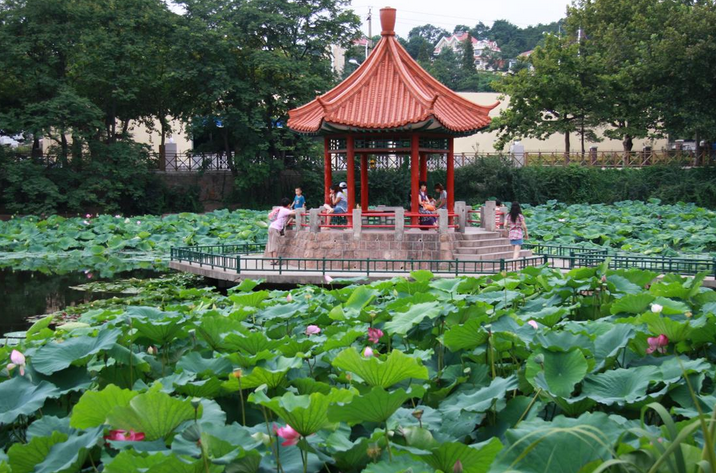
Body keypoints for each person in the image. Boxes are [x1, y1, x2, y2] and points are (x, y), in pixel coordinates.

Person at [264, 197, 295, 264]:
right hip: (276, 228)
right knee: (275, 244)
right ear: (289, 205)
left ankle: (272, 260)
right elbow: (293, 213)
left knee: (271, 243)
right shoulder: (285, 210)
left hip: (271, 227)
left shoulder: (279, 208)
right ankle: (275, 260)